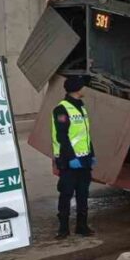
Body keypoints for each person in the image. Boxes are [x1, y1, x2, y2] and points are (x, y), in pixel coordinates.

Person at [53, 76, 96, 239]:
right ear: (78, 89)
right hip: (68, 161)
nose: (85, 89)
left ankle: (82, 226)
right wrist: (71, 157)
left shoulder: (81, 107)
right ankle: (63, 228)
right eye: (84, 86)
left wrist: (92, 154)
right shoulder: (61, 109)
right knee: (66, 193)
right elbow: (62, 136)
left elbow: (85, 134)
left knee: (83, 194)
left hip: (84, 160)